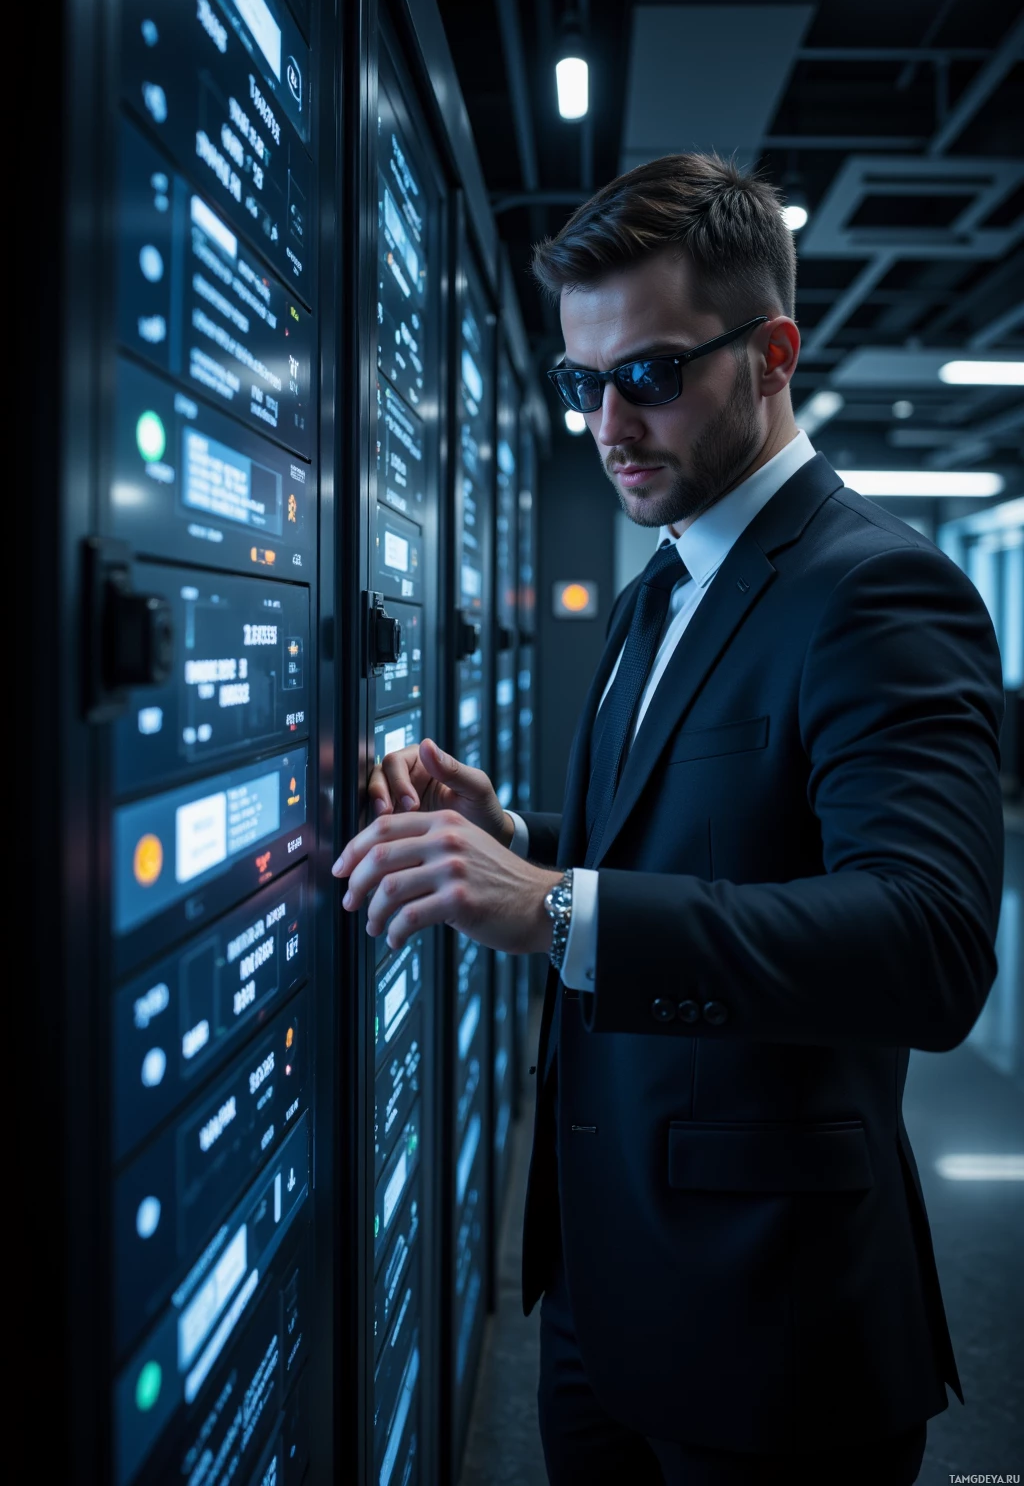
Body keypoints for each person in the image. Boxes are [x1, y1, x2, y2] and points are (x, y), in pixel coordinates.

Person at [333, 154, 1004, 1485]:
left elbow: (928, 946)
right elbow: (705, 844)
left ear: (773, 354)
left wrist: (557, 907)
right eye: (582, 383)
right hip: (600, 1292)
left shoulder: (877, 592)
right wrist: (521, 837)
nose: (606, 425)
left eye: (648, 375)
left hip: (774, 1329)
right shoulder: (666, 578)